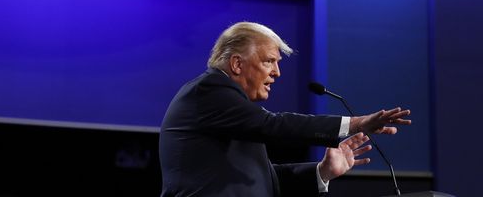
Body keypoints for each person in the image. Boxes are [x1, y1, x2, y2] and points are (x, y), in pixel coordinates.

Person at [159, 21, 411, 196]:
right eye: (269, 61)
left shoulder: (234, 116)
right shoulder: (209, 91)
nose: (277, 72)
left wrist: (322, 172)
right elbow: (274, 124)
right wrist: (356, 123)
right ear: (237, 64)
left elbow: (264, 179)